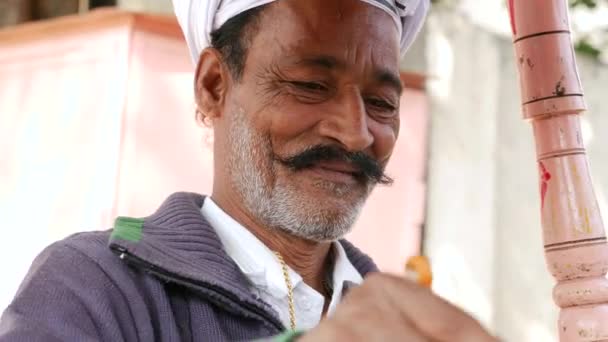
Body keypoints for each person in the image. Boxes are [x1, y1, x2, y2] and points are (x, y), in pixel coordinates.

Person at [0, 0, 497, 341]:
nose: (355, 133)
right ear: (214, 86)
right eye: (308, 85)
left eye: (381, 102)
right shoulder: (93, 287)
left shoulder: (401, 320)